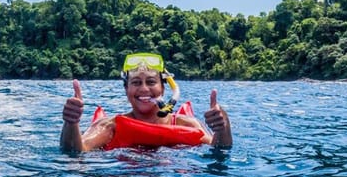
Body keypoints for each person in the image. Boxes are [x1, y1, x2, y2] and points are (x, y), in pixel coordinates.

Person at [60, 52, 232, 152]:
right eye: (136, 83)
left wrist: (223, 126)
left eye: (151, 82)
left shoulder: (188, 124)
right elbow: (77, 150)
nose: (143, 89)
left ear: (163, 89)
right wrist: (71, 123)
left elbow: (218, 149)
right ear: (126, 90)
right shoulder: (109, 127)